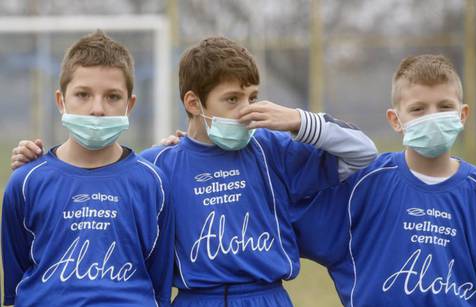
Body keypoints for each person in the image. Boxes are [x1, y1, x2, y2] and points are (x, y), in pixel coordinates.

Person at [9, 36, 378, 306]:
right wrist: (37, 165)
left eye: (252, 97)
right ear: (193, 103)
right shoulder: (157, 165)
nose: (247, 110)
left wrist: (297, 120)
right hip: (193, 299)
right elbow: (94, 185)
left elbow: (363, 153)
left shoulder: (273, 150)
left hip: (266, 297)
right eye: (232, 100)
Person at [292, 54, 476, 306]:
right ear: (395, 120)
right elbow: (286, 225)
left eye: (444, 107)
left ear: (462, 115)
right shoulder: (364, 182)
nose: (432, 117)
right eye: (418, 109)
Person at [2, 30, 174, 306]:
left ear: (130, 105)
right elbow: (19, 277)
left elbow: (158, 283)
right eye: (83, 94)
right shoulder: (26, 181)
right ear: (61, 101)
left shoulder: (153, 183)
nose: (97, 109)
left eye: (112, 97)